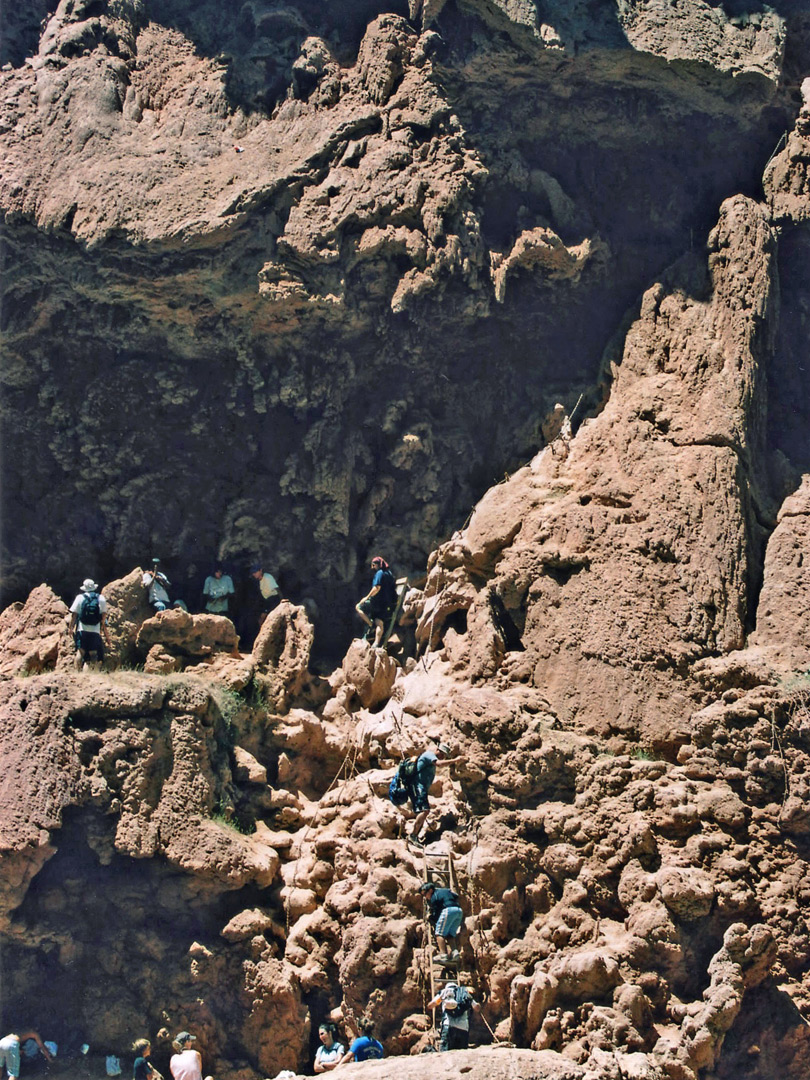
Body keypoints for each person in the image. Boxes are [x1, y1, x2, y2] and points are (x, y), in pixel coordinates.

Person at [404, 743, 463, 845]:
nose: (443, 757)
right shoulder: (429, 755)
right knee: (425, 810)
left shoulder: (432, 758)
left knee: (424, 811)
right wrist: (456, 760)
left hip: (420, 787)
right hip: (418, 786)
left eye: (444, 755)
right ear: (438, 750)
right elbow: (439, 764)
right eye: (442, 754)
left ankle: (415, 837)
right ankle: (412, 836)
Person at [355, 556, 397, 648]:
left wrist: (366, 598)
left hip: (377, 602)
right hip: (388, 604)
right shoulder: (389, 574)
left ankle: (371, 625)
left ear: (377, 565)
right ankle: (376, 644)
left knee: (358, 607)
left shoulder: (379, 573)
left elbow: (377, 588)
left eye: (373, 565)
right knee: (379, 622)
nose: (372, 567)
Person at [69, 578, 111, 670]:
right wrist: (103, 630)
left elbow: (74, 614)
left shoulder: (80, 598)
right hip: (95, 631)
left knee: (80, 652)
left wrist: (71, 628)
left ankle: (76, 673)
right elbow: (103, 616)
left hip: (82, 629)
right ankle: (89, 675)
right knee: (93, 654)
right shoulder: (100, 598)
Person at [420, 880, 463, 964]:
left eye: (425, 894)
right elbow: (456, 895)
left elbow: (436, 911)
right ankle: (455, 953)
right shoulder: (445, 890)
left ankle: (443, 955)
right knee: (450, 934)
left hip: (448, 910)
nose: (425, 897)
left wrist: (431, 917)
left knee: (439, 933)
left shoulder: (434, 896)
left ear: (430, 890)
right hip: (458, 911)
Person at [427, 982, 480, 1051]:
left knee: (445, 1054)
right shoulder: (464, 992)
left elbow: (430, 1005)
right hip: (463, 1028)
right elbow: (477, 1008)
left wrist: (440, 1000)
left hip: (448, 1026)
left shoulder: (444, 992)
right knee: (461, 1054)